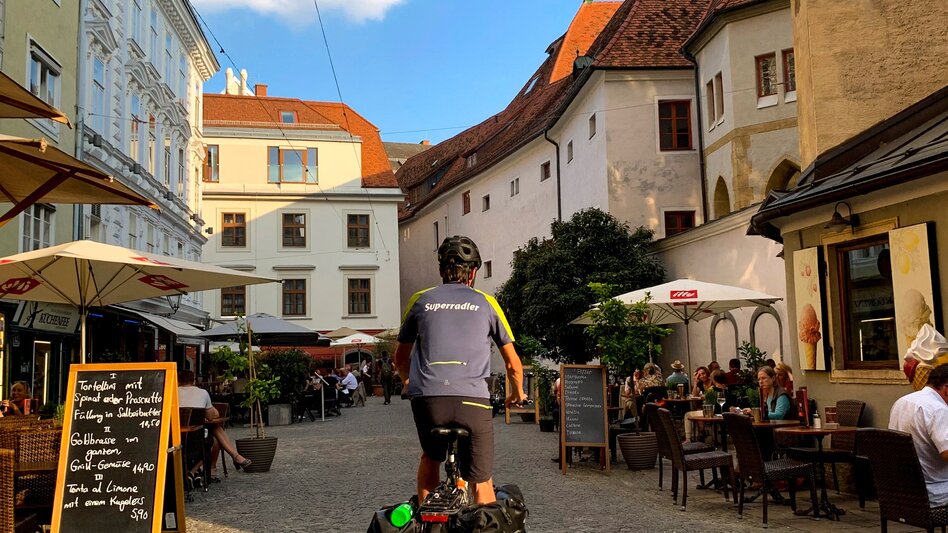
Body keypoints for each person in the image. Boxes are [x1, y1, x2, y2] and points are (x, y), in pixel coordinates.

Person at [394, 235, 526, 505]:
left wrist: (408, 381)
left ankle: (427, 519)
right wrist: (517, 394)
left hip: (428, 400)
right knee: (481, 478)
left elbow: (400, 357)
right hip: (473, 400)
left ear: (441, 270)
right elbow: (513, 363)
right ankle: (483, 519)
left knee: (430, 457)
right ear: (474, 272)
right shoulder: (487, 302)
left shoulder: (420, 300)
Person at [889, 364, 948, 506]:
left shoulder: (902, 402)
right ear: (946, 389)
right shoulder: (938, 409)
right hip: (935, 491)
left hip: (903, 489)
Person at [177, 370, 251, 480]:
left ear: (178, 381)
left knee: (215, 434)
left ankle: (215, 467)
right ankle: (233, 458)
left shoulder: (172, 392)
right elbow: (211, 416)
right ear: (194, 380)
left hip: (176, 436)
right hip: (197, 436)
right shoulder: (202, 393)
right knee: (215, 433)